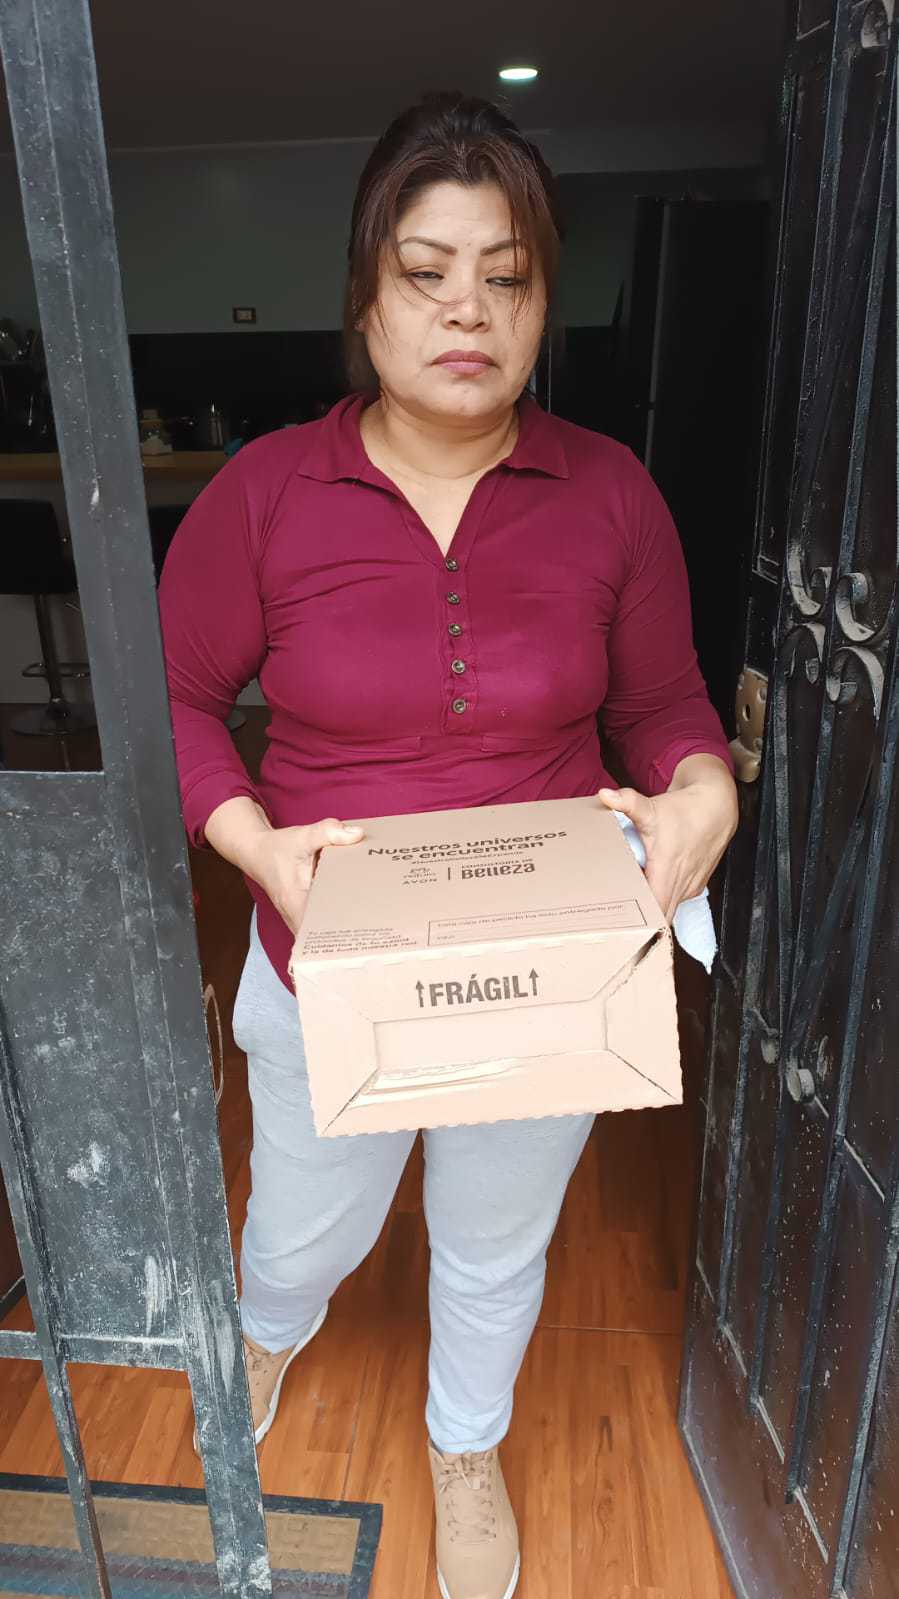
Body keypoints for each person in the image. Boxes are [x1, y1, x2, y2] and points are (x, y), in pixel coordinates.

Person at [158, 92, 738, 1599]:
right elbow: (180, 699)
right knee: (305, 1233)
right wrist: (256, 848)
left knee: (496, 1240)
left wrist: (704, 791)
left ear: (544, 303)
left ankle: (464, 1447)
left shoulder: (610, 491)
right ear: (366, 295)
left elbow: (664, 704)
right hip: (324, 952)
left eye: (506, 275)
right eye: (425, 273)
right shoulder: (267, 492)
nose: (466, 310)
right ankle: (265, 1334)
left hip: (550, 962)